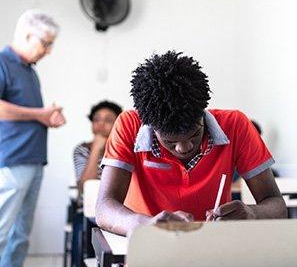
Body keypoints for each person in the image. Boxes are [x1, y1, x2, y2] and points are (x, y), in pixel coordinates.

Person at [96, 50, 287, 236]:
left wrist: (252, 213)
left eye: (195, 134)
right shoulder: (129, 125)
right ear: (150, 126)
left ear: (203, 112)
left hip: (213, 247)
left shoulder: (235, 124)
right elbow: (104, 209)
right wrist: (147, 225)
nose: (184, 147)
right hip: (150, 246)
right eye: (170, 141)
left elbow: (276, 205)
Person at [0, 9, 66, 267]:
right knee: (3, 232)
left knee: (20, 235)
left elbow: (28, 115)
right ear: (28, 35)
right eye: (46, 43)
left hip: (34, 160)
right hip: (13, 161)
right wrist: (40, 113)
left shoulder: (29, 70)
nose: (48, 51)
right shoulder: (3, 63)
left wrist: (48, 117)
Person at [71, 100, 122, 266]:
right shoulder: (82, 149)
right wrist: (95, 151)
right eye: (97, 119)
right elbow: (84, 186)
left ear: (118, 123)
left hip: (116, 210)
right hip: (88, 213)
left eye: (108, 120)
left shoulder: (124, 149)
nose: (101, 124)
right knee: (81, 230)